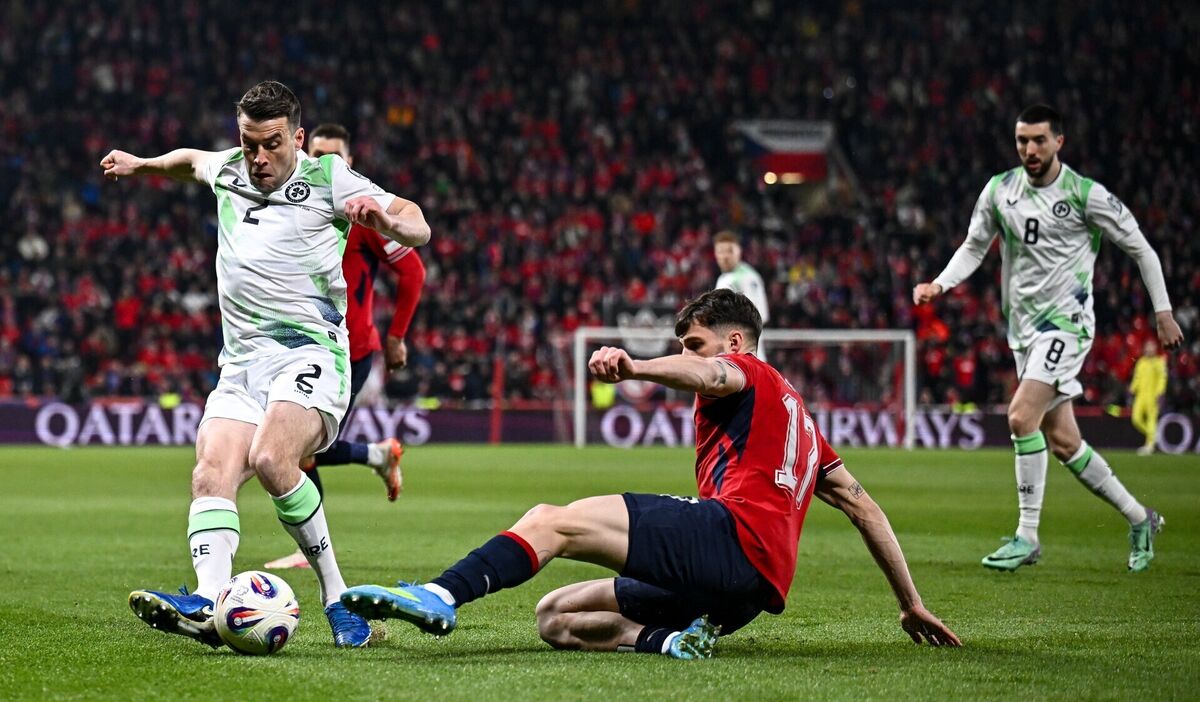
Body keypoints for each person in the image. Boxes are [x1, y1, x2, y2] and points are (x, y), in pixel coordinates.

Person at [337, 290, 960, 658]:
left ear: (736, 342)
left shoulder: (749, 373)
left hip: (731, 540)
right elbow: (864, 508)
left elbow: (714, 374)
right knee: (555, 617)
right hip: (739, 598)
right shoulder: (803, 427)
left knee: (553, 521)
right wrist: (911, 604)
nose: (689, 354)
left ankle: (442, 595)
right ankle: (671, 642)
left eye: (694, 342)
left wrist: (634, 368)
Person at [101, 80, 431, 648]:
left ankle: (337, 599)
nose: (258, 157)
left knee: (273, 458)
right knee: (210, 472)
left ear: (297, 138)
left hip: (312, 356)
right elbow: (190, 162)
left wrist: (384, 218)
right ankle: (209, 603)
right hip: (242, 364)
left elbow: (417, 223)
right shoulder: (230, 168)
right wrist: (143, 165)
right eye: (249, 143)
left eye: (271, 144)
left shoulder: (329, 178)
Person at [912, 104, 1182, 573]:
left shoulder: (1084, 194)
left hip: (1068, 323)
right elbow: (975, 245)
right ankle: (1141, 518)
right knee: (1062, 440)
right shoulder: (1000, 190)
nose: (1030, 149)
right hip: (1024, 330)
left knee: (1020, 417)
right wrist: (941, 283)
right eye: (1022, 141)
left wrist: (1163, 312)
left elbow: (1141, 247)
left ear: (1060, 141)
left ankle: (1027, 535)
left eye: (1039, 140)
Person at [263, 123, 427, 570]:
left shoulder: (364, 214)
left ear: (347, 163)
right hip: (293, 345)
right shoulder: (287, 204)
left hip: (347, 352)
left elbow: (413, 273)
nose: (322, 160)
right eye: (316, 152)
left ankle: (310, 547)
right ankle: (378, 455)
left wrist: (396, 335)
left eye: (333, 154)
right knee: (291, 446)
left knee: (296, 447)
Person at [713, 231, 769, 324]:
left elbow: (759, 314)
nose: (725, 256)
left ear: (739, 251)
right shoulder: (722, 278)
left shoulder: (748, 276)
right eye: (721, 251)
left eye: (730, 251)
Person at [1129, 339, 1167, 456]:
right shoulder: (1141, 362)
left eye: (1152, 346)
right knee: (1136, 419)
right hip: (1140, 396)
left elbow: (1162, 379)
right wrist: (1132, 388)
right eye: (1148, 346)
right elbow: (1137, 378)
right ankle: (1153, 436)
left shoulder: (1159, 362)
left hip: (1153, 396)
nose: (1150, 349)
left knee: (1151, 421)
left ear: (1155, 349)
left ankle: (1149, 445)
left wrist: (1160, 393)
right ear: (1145, 348)